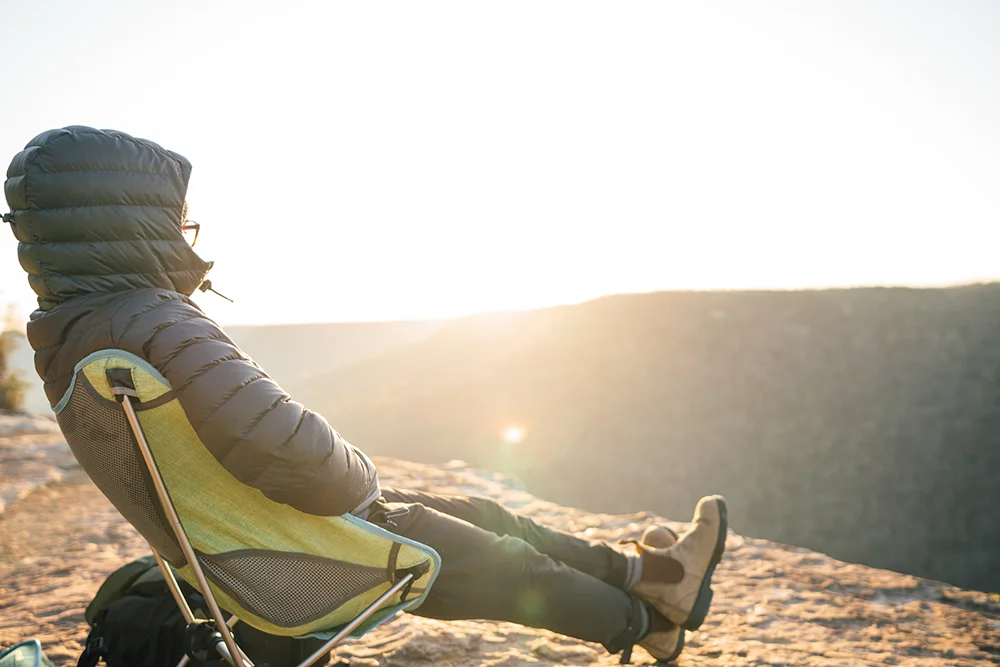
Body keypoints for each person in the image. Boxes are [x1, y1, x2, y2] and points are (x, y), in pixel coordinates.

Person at [3, 126, 727, 663]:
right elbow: (319, 469)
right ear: (132, 224)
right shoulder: (159, 324)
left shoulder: (70, 331)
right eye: (178, 222)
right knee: (502, 558)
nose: (188, 236)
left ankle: (657, 574)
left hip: (246, 561)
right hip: (301, 571)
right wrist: (357, 474)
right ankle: (648, 622)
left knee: (477, 513)